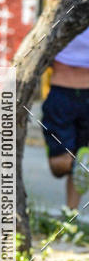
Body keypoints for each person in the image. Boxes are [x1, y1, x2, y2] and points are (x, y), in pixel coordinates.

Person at [41, 25, 89, 208]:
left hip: (70, 95)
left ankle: (70, 216)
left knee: (69, 164)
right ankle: (82, 164)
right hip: (63, 95)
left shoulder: (61, 15)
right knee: (64, 166)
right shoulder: (61, 16)